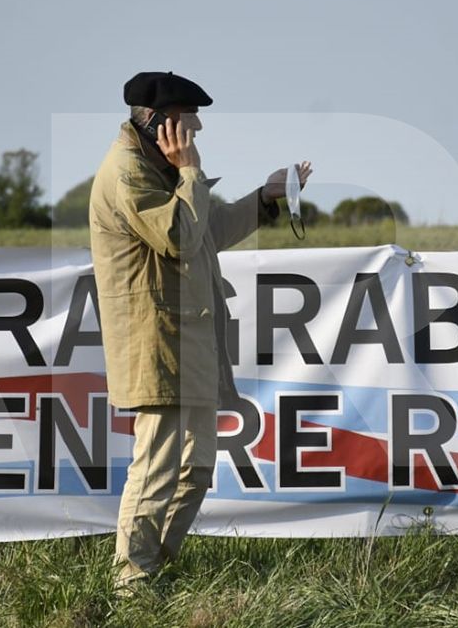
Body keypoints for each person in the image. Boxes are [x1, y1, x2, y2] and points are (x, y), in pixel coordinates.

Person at [88, 71, 311, 594]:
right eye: (191, 118)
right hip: (156, 342)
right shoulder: (128, 173)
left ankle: (156, 569)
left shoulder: (158, 166)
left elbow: (206, 230)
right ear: (163, 122)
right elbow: (181, 237)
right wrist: (189, 171)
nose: (199, 127)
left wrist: (267, 196)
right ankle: (131, 584)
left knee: (197, 467)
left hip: (188, 339)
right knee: (157, 466)